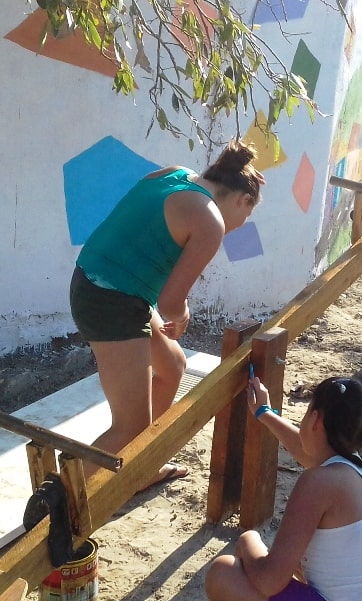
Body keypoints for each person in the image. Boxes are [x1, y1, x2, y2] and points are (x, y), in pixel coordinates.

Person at [70, 139, 264, 488]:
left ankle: (141, 466)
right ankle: (57, 503)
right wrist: (184, 313)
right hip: (110, 301)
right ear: (243, 199)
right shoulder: (210, 222)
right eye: (246, 216)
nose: (240, 224)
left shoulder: (175, 173)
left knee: (173, 366)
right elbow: (170, 303)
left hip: (95, 281)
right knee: (129, 426)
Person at [205, 375, 362, 601]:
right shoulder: (354, 469)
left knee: (224, 574)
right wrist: (264, 412)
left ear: (315, 418)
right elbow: (306, 450)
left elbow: (269, 581)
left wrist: (247, 539)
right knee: (299, 563)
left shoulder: (318, 483)